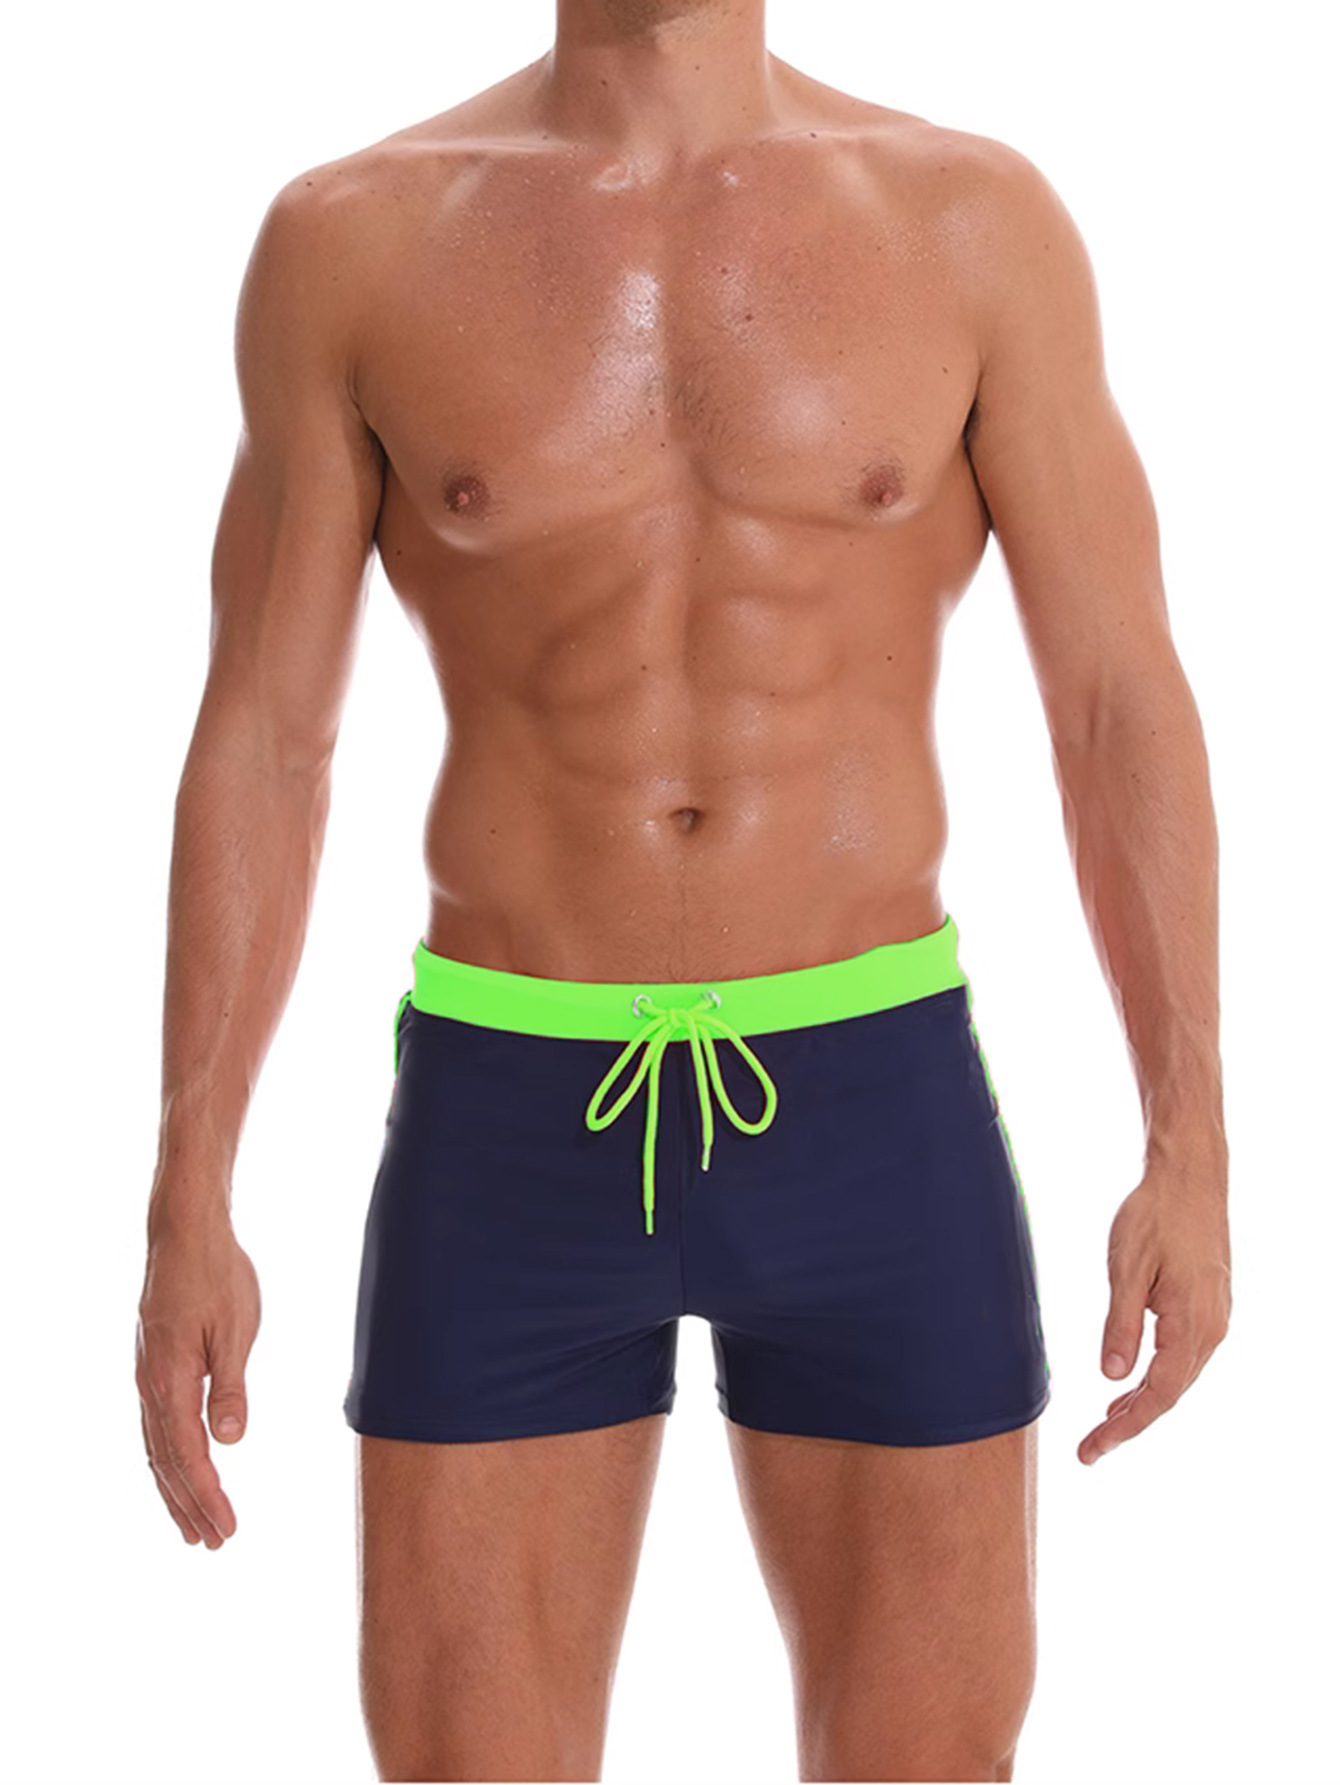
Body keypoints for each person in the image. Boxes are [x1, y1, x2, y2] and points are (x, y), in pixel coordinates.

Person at [135, 0, 1232, 1778]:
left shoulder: (971, 222)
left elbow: (1115, 701)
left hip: (872, 1101)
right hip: (510, 1113)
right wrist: (190, 1186)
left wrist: (1192, 1137)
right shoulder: (356, 239)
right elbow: (266, 734)